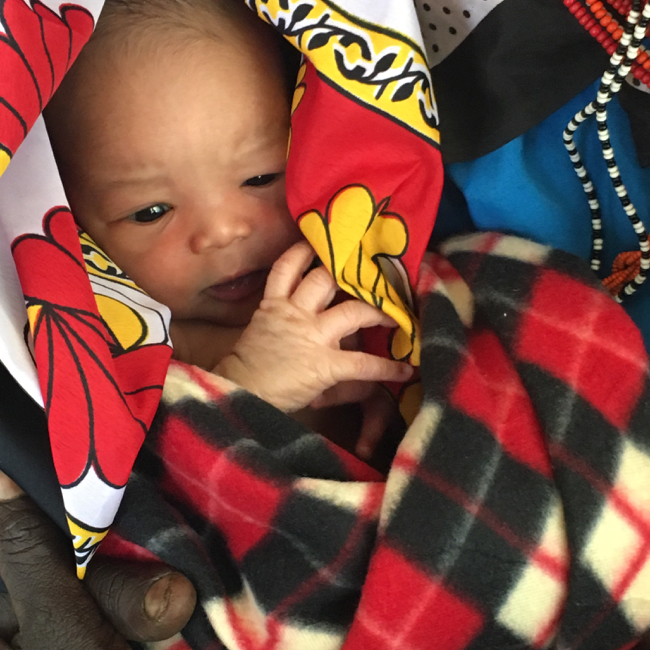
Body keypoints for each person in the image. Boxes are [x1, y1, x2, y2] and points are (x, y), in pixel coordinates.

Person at [43, 0, 413, 461]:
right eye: (151, 211)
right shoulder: (117, 349)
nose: (222, 232)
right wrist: (246, 389)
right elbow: (154, 477)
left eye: (260, 178)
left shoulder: (353, 266)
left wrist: (388, 386)